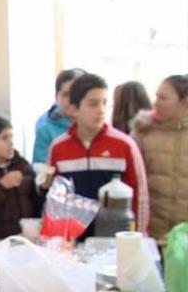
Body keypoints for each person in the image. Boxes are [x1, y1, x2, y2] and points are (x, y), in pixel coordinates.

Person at [47, 72, 150, 235]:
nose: (101, 110)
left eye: (104, 103)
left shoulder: (125, 145)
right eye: (93, 104)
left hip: (116, 237)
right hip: (73, 240)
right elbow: (55, 200)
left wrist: (141, 236)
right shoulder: (58, 148)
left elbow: (140, 196)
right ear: (74, 109)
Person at [131, 74, 188, 240]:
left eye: (163, 98)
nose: (155, 103)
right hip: (152, 235)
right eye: (156, 96)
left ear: (184, 102)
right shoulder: (143, 132)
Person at [33, 68, 86, 163]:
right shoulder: (45, 128)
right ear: (56, 97)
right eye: (66, 94)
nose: (71, 100)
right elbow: (41, 170)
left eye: (77, 94)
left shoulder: (95, 124)